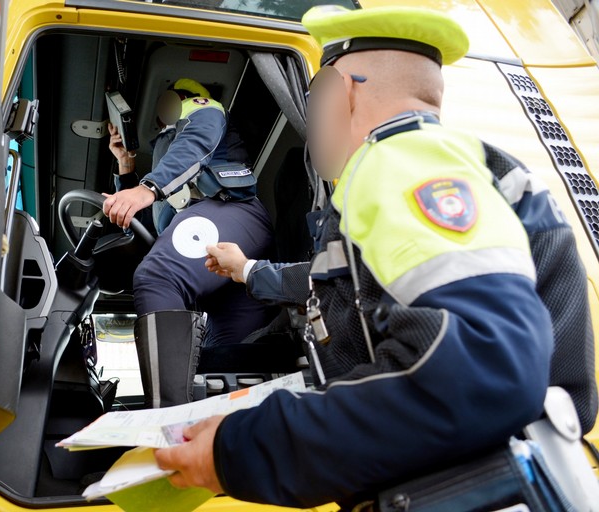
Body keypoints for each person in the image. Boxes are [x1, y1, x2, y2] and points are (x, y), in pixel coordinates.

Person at [154, 5, 560, 507]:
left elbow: (486, 368)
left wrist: (238, 450)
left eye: (312, 96)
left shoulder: (401, 162)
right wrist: (248, 270)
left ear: (341, 92)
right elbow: (344, 289)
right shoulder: (470, 170)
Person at [102, 78, 275, 408]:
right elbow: (150, 223)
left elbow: (196, 144)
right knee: (222, 360)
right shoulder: (165, 148)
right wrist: (127, 169)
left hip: (232, 211)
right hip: (219, 268)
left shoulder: (202, 109)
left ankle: (166, 420)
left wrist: (147, 188)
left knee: (157, 278)